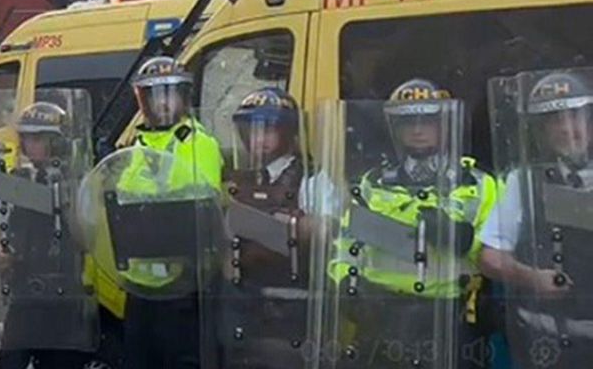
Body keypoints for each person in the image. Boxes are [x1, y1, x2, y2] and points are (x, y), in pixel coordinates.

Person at [324, 78, 497, 369]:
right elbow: (346, 245)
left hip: (447, 320)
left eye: (427, 121)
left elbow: (498, 251)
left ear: (443, 125)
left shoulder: (480, 185)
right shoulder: (373, 183)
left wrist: (462, 240)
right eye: (408, 122)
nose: (417, 130)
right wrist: (345, 284)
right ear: (395, 129)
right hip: (381, 317)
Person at [115, 56, 223, 369]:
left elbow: (198, 209)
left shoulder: (199, 144)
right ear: (142, 100)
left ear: (184, 98)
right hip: (139, 285)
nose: (163, 104)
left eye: (170, 95)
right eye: (154, 96)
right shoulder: (135, 146)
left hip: (183, 286)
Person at [480, 70, 593, 366]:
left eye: (575, 116)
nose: (568, 129)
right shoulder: (523, 182)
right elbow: (490, 257)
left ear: (590, 123)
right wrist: (531, 279)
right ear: (541, 132)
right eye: (555, 120)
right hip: (546, 347)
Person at [0, 101, 90, 369]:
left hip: (66, 294)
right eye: (26, 138)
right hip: (25, 291)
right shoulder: (17, 181)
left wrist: (64, 199)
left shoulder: (78, 180)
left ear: (57, 141)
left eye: (37, 138)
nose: (30, 145)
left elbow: (87, 237)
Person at [216, 87, 314, 369]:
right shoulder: (240, 180)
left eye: (269, 130)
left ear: (290, 132)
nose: (259, 140)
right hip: (244, 303)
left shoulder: (311, 178)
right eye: (252, 131)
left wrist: (279, 224)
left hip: (290, 304)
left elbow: (327, 232)